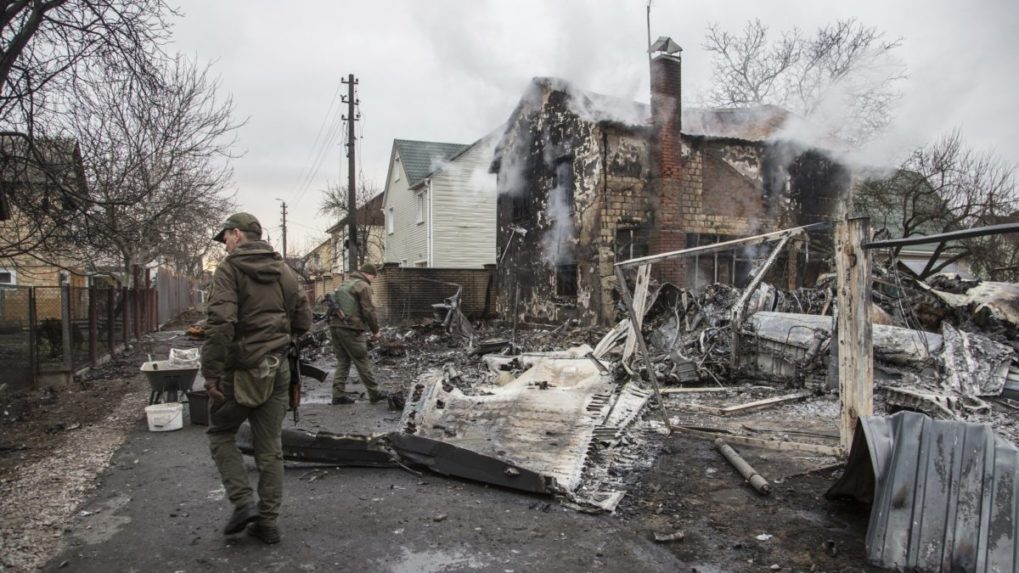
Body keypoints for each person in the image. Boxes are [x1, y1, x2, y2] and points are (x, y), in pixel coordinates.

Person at [200, 212, 311, 545]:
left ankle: (243, 503)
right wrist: (282, 336)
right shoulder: (284, 270)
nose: (224, 245)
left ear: (237, 234)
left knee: (221, 433)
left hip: (240, 370)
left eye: (225, 239)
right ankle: (268, 523)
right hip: (277, 368)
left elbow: (221, 323)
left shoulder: (230, 269)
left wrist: (211, 372)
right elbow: (303, 317)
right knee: (270, 447)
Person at [329, 262, 385, 405]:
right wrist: (376, 331)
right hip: (351, 328)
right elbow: (369, 310)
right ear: (368, 274)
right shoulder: (363, 286)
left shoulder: (346, 283)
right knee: (362, 360)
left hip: (335, 326)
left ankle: (338, 394)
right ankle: (374, 393)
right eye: (373, 277)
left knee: (343, 361)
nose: (373, 280)